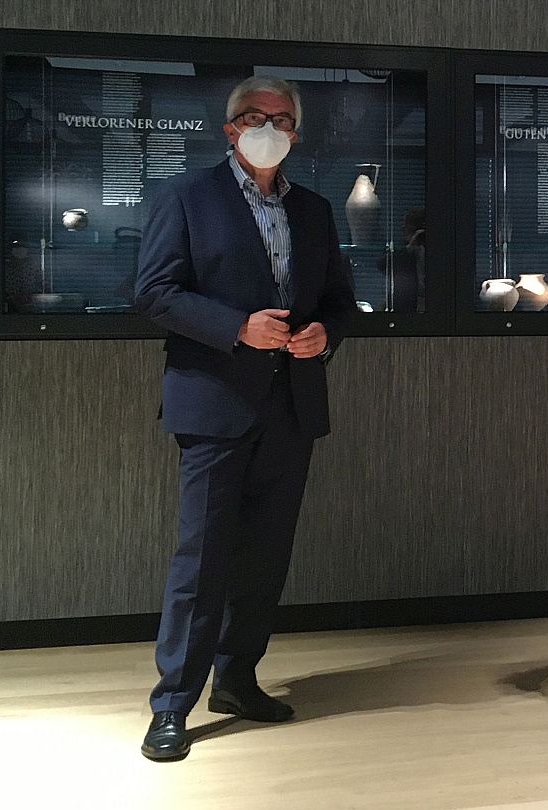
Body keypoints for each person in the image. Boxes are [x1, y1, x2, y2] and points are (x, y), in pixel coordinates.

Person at [134, 76, 358, 760]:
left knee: (265, 557)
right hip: (214, 403)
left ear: (296, 134)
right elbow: (154, 292)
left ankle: (236, 680)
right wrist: (237, 328)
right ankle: (172, 704)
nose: (270, 127)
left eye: (282, 119)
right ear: (230, 128)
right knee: (202, 557)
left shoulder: (315, 209)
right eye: (256, 116)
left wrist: (325, 333)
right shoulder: (185, 196)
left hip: (292, 406)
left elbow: (340, 300)